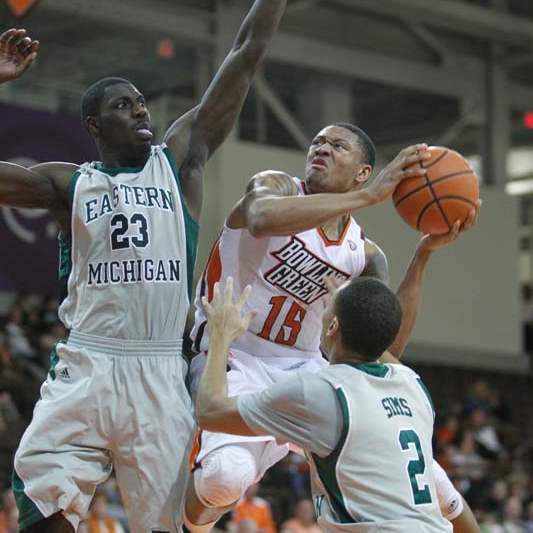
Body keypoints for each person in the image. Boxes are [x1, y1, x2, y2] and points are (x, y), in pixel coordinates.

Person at [0, 1, 287, 531]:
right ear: (94, 125)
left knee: (165, 523)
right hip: (88, 361)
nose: (140, 111)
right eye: (122, 105)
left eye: (140, 102)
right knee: (43, 510)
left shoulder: (179, 161)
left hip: (159, 369)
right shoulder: (68, 184)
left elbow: (247, 54)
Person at [186, 123, 480, 529]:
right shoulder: (276, 187)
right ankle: (189, 523)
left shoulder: (364, 254)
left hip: (308, 372)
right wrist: (370, 196)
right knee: (225, 479)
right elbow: (259, 218)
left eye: (338, 146)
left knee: (437, 483)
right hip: (231, 355)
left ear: (363, 171)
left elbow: (382, 347)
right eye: (318, 142)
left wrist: (423, 254)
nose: (322, 148)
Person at [195, 277, 453, 532]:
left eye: (327, 309)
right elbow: (457, 510)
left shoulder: (320, 391)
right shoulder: (411, 383)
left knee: (224, 476)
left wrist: (220, 336)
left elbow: (210, 412)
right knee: (440, 482)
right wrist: (421, 258)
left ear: (332, 326)